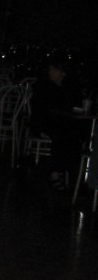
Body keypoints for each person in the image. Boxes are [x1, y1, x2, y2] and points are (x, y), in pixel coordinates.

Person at [30, 61, 87, 190]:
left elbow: (73, 104)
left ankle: (63, 170)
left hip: (62, 122)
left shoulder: (69, 87)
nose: (51, 73)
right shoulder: (44, 87)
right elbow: (40, 109)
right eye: (50, 70)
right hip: (44, 122)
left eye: (54, 70)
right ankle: (55, 172)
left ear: (62, 73)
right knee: (61, 135)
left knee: (72, 136)